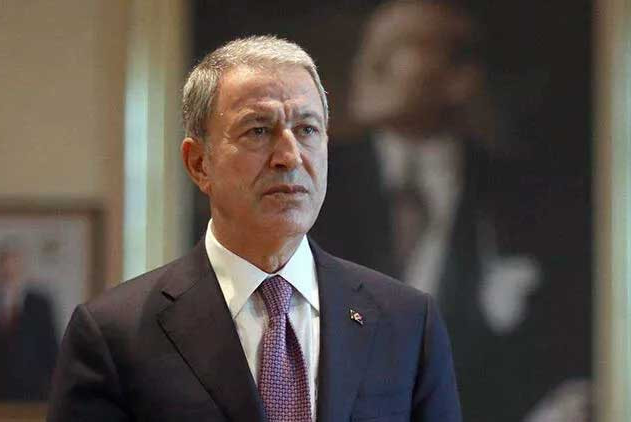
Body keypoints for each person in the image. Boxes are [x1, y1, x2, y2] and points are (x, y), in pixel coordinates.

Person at [48, 36, 461, 421]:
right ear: (199, 164)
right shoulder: (112, 334)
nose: (289, 156)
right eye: (258, 131)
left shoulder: (407, 322)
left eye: (307, 130)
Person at [311, 1, 589, 421]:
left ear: (461, 78)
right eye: (368, 47)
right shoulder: (311, 183)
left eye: (401, 45)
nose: (370, 64)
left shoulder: (528, 199)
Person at [0, 240, 59, 401]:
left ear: (23, 267)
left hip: (34, 392)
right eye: (5, 264)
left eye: (14, 264)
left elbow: (51, 348)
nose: (9, 270)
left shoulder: (40, 303)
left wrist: (57, 387)